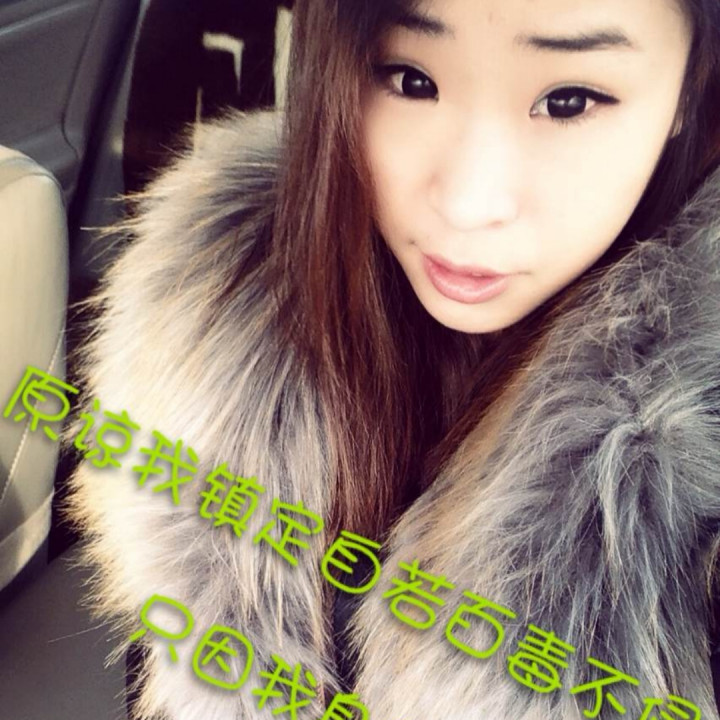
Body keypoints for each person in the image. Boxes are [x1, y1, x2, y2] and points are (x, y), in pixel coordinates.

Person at [65, 0, 720, 718]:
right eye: (409, 80)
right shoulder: (204, 348)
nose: (468, 203)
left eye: (570, 101)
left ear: (691, 89)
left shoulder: (693, 468)